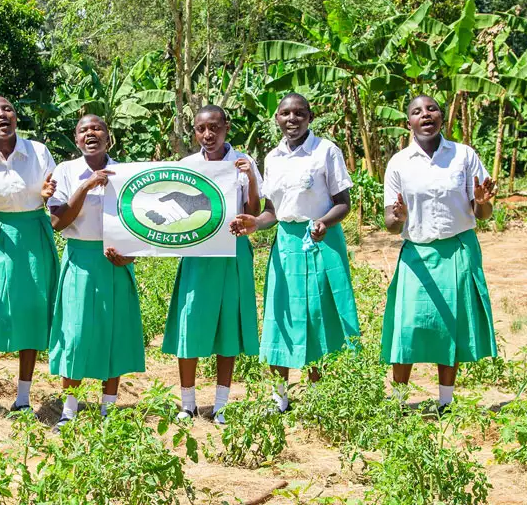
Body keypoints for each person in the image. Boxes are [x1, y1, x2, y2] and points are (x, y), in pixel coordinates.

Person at [231, 93, 359, 413]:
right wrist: (253, 223)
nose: (293, 119)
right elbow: (272, 211)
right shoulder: (272, 158)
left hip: (320, 240)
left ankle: (318, 394)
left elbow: (343, 203)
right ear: (276, 118)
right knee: (280, 315)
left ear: (310, 116)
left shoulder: (325, 151)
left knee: (319, 315)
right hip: (286, 245)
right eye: (286, 113)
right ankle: (280, 396)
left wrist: (322, 223)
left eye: (299, 113)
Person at [382, 95, 498, 413]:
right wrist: (400, 217)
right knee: (407, 327)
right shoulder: (399, 164)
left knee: (451, 326)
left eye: (431, 108)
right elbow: (391, 224)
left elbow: (482, 212)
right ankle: (399, 402)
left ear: (441, 117)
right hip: (416, 255)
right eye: (417, 111)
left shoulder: (463, 156)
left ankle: (445, 402)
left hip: (457, 250)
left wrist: (482, 200)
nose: (425, 114)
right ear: (409, 123)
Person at [162, 104, 262, 424]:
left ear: (226, 127)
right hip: (197, 254)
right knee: (190, 323)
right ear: (194, 132)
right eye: (201, 129)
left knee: (228, 328)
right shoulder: (186, 165)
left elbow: (255, 210)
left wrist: (250, 180)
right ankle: (187, 403)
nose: (208, 134)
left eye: (215, 127)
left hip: (232, 252)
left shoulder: (243, 162)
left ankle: (221, 404)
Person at [47, 114, 145, 431]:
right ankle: (70, 409)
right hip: (79, 258)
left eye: (97, 128)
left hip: (114, 259)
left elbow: (140, 223)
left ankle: (109, 409)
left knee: (113, 333)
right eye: (83, 130)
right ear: (76, 140)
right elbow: (59, 222)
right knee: (75, 335)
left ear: (108, 136)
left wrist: (130, 256)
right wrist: (86, 185)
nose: (91, 133)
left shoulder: (126, 174)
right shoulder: (65, 172)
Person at [0, 96, 59, 414]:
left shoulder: (38, 152)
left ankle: (23, 398)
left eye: (7, 109)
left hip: (35, 234)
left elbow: (55, 197)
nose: (2, 114)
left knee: (32, 311)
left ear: (16, 118)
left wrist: (47, 197)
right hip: (1, 235)